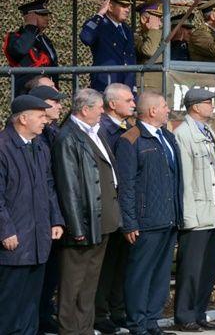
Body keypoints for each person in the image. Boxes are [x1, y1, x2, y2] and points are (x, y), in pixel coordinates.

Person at [52, 88, 121, 335]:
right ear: (85, 109)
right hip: (83, 221)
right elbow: (68, 186)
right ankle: (69, 329)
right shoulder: (68, 137)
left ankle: (84, 328)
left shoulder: (95, 131)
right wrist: (76, 226)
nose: (103, 111)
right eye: (100, 107)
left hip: (102, 219)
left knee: (90, 281)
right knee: (73, 281)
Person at [116, 91, 182, 335]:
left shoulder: (167, 137)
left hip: (168, 218)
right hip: (145, 221)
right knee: (140, 275)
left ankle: (153, 322)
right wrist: (130, 222)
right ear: (153, 110)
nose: (168, 110)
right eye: (164, 106)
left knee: (160, 275)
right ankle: (138, 324)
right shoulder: (131, 140)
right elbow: (126, 185)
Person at [0, 95, 64, 335]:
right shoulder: (3, 147)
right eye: (40, 116)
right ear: (23, 119)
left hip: (38, 240)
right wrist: (5, 230)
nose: (45, 120)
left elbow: (48, 186)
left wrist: (55, 219)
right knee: (9, 305)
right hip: (14, 242)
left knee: (31, 304)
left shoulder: (39, 146)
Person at [173, 89, 215, 331]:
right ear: (195, 106)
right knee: (191, 269)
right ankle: (185, 316)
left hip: (213, 213)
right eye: (208, 102)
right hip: (196, 214)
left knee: (206, 269)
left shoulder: (208, 132)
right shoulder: (183, 134)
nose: (212, 106)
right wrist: (188, 217)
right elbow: (185, 180)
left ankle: (199, 313)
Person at [95, 83, 136, 334]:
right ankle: (100, 313)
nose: (133, 104)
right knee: (106, 264)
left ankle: (117, 309)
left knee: (122, 262)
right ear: (112, 104)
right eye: (128, 100)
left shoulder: (127, 128)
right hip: (109, 206)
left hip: (125, 205)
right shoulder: (102, 130)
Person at [28, 84, 67, 333]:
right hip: (39, 217)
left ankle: (43, 314)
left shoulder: (52, 132)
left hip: (54, 213)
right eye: (55, 102)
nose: (60, 106)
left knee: (51, 272)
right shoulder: (36, 137)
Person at [79, 0, 137, 93]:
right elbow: (86, 37)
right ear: (110, 7)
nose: (127, 10)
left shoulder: (126, 29)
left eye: (128, 6)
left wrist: (132, 85)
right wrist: (99, 14)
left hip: (126, 85)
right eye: (123, 6)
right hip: (106, 85)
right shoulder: (100, 25)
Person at [4, 0, 59, 96]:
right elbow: (21, 50)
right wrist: (31, 26)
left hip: (48, 91)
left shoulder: (44, 39)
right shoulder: (15, 38)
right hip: (27, 92)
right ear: (30, 16)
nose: (47, 18)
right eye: (42, 15)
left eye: (47, 15)